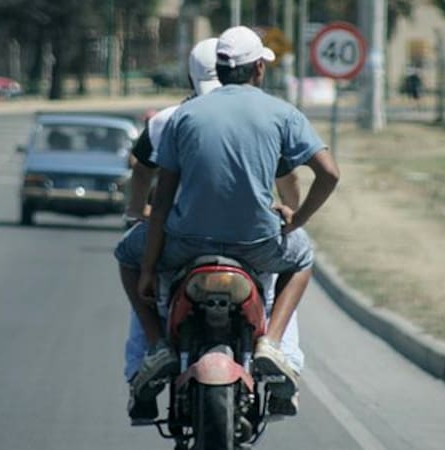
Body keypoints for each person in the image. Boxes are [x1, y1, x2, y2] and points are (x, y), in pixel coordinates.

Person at [136, 25, 339, 418]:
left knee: (125, 254)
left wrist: (147, 268)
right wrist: (297, 220)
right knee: (303, 258)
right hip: (257, 245)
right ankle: (272, 344)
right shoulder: (282, 112)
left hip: (188, 243)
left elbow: (160, 202)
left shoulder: (186, 115)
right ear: (259, 69)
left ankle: (157, 346)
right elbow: (329, 173)